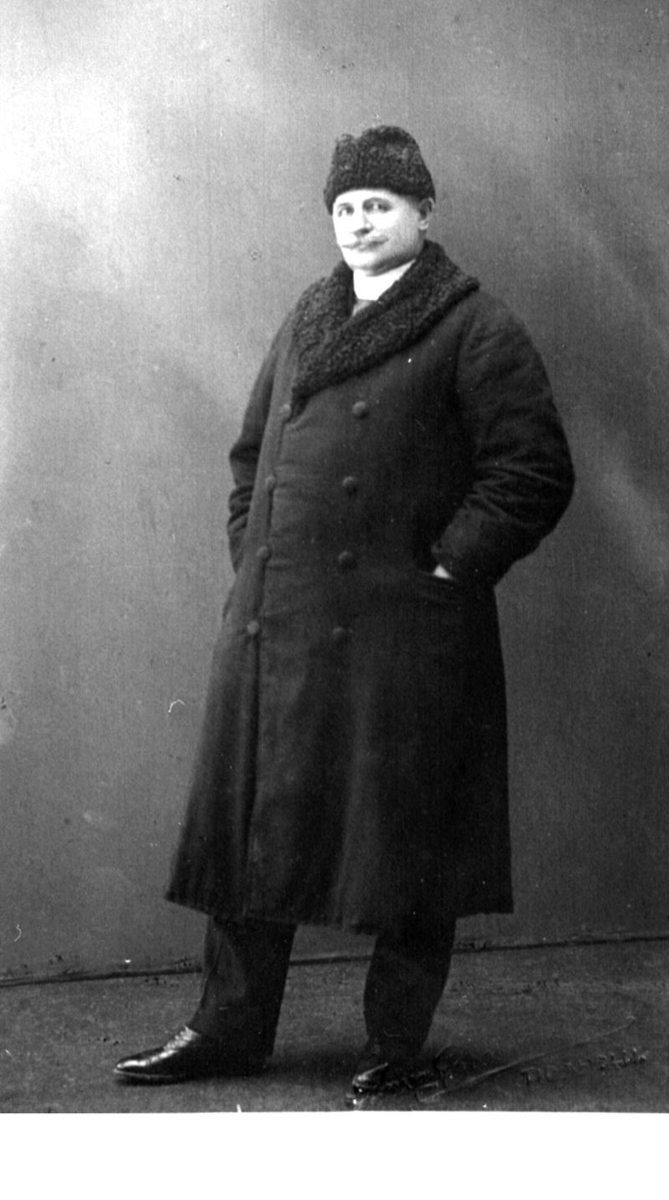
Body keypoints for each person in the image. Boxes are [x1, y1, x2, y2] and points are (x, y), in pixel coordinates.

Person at [115, 125, 574, 1093]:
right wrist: (256, 563)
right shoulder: (308, 316)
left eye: (379, 205)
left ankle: (395, 1050)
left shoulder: (474, 324)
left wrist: (447, 570)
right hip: (277, 624)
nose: (359, 222)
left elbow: (531, 471)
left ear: (423, 213)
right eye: (346, 207)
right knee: (254, 828)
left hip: (404, 631)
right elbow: (252, 459)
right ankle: (228, 1030)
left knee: (409, 845)